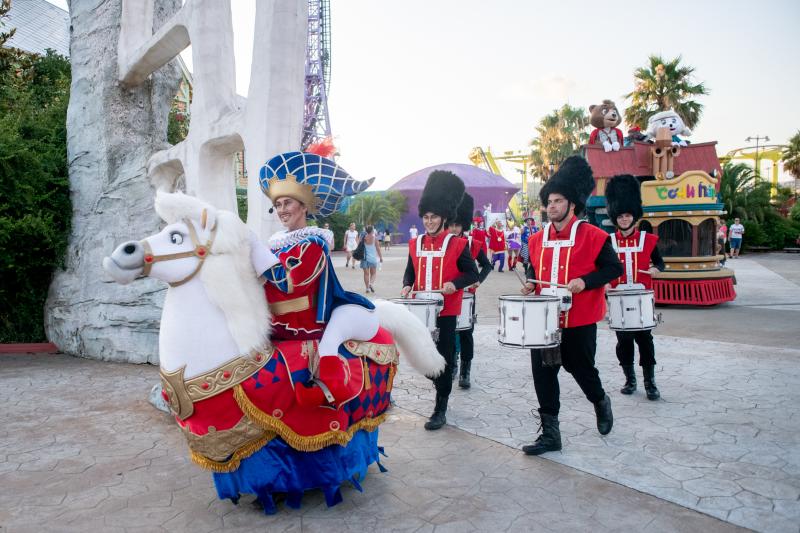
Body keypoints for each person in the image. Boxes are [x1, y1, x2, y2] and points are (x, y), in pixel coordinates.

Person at [255, 151, 379, 407]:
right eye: (277, 205)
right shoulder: (275, 245)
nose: (281, 210)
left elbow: (290, 282)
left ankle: (333, 390)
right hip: (273, 321)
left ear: (304, 206)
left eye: (287, 203)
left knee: (326, 347)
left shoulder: (312, 244)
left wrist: (254, 253)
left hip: (303, 322)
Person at [521, 156, 623, 455]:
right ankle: (551, 435)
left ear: (572, 204)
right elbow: (534, 269)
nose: (551, 206)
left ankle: (600, 400)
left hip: (579, 320)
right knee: (543, 373)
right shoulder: (537, 239)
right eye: (548, 201)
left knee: (581, 369)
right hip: (544, 319)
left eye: (557, 201)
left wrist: (586, 281)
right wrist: (530, 281)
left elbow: (612, 269)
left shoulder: (595, 235)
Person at [401, 170, 479, 430]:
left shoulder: (457, 244)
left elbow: (472, 273)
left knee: (443, 358)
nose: (429, 221)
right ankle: (441, 383)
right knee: (421, 357)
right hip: (419, 310)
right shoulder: (415, 243)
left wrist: (453, 284)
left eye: (434, 216)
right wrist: (406, 285)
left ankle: (440, 408)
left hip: (446, 313)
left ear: (444, 217)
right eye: (426, 216)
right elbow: (410, 269)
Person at [605, 174, 665, 401]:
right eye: (620, 216)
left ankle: (650, 382)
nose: (624, 219)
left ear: (634, 216)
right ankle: (630, 380)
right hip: (618, 298)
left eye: (627, 215)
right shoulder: (608, 241)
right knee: (623, 342)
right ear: (615, 217)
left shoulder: (648, 240)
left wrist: (658, 269)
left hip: (642, 298)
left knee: (645, 341)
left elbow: (660, 263)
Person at [448, 192, 492, 389]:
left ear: (463, 225)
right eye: (452, 224)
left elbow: (487, 265)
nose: (454, 228)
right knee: (449, 333)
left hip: (467, 297)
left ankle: (465, 369)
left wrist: (478, 281)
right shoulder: (444, 244)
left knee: (466, 333)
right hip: (448, 295)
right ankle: (452, 365)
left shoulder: (473, 244)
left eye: (458, 225)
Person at [360, 225, 383, 293]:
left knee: (366, 274)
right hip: (372, 258)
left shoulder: (363, 238)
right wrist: (381, 257)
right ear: (372, 231)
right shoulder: (374, 238)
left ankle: (367, 288)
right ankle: (371, 284)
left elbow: (359, 246)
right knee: (373, 273)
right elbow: (378, 249)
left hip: (364, 258)